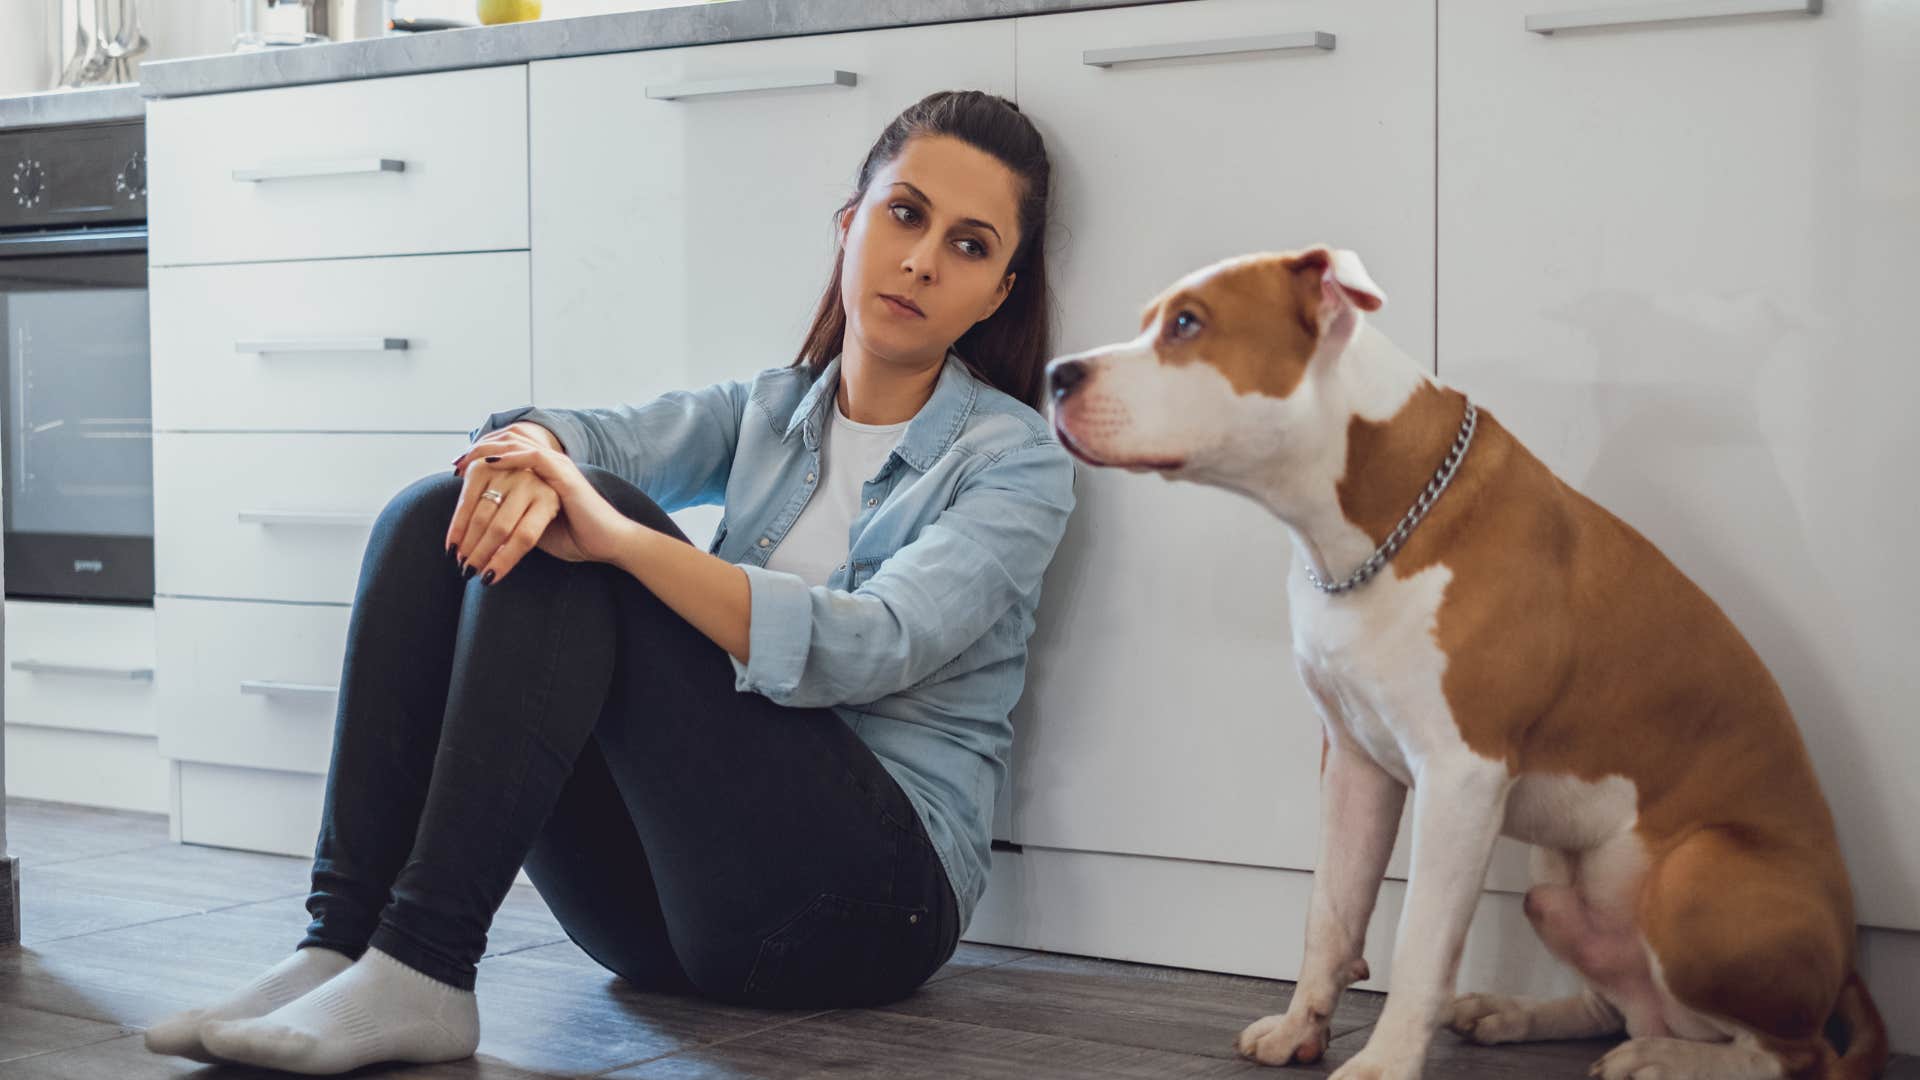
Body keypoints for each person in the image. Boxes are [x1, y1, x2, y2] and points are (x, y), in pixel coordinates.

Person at [142, 88, 1077, 1075]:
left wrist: (623, 540)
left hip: (868, 907)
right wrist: (531, 450)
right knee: (435, 512)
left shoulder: (1015, 461)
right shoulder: (767, 411)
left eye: (970, 246)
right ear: (851, 225)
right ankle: (340, 941)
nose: (924, 259)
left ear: (999, 291)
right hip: (661, 919)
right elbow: (598, 436)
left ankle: (425, 962)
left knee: (593, 537)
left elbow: (872, 643)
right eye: (905, 214)